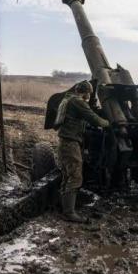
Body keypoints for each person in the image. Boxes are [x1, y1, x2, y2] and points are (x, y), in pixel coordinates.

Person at [54, 80, 109, 223]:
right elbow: (93, 118)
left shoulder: (67, 100)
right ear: (85, 93)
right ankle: (69, 213)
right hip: (70, 143)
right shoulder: (77, 102)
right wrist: (108, 123)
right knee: (76, 176)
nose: (89, 96)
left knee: (67, 175)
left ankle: (64, 207)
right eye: (89, 94)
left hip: (65, 142)